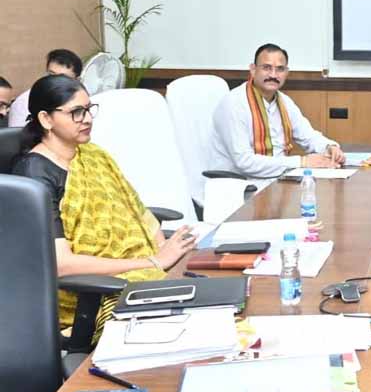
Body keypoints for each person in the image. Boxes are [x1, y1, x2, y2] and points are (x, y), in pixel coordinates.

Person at [12, 75, 197, 340]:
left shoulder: (94, 155)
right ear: (46, 119)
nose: (87, 119)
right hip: (86, 296)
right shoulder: (34, 174)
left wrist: (163, 251)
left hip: (138, 270)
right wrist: (153, 262)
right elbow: (60, 264)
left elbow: (137, 211)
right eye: (76, 112)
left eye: (89, 109)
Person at [211, 43, 344, 178]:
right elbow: (244, 162)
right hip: (239, 183)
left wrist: (329, 147)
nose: (273, 75)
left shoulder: (284, 102)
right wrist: (301, 162)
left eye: (280, 69)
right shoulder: (234, 103)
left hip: (277, 179)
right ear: (253, 70)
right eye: (266, 68)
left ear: (286, 73)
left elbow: (308, 136)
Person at [7, 49, 83, 128]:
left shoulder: (83, 101)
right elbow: (17, 134)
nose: (55, 82)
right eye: (51, 75)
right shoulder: (23, 102)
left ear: (77, 80)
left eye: (62, 78)